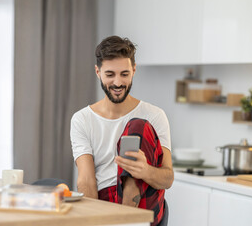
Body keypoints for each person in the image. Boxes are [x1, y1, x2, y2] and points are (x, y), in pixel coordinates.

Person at [70, 35, 174, 226]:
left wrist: (145, 171)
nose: (117, 83)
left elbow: (167, 179)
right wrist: (92, 220)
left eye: (124, 74)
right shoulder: (82, 119)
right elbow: (86, 180)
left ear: (134, 71)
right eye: (110, 74)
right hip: (104, 202)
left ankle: (126, 220)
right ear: (98, 72)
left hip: (144, 202)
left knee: (137, 125)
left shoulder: (154, 115)